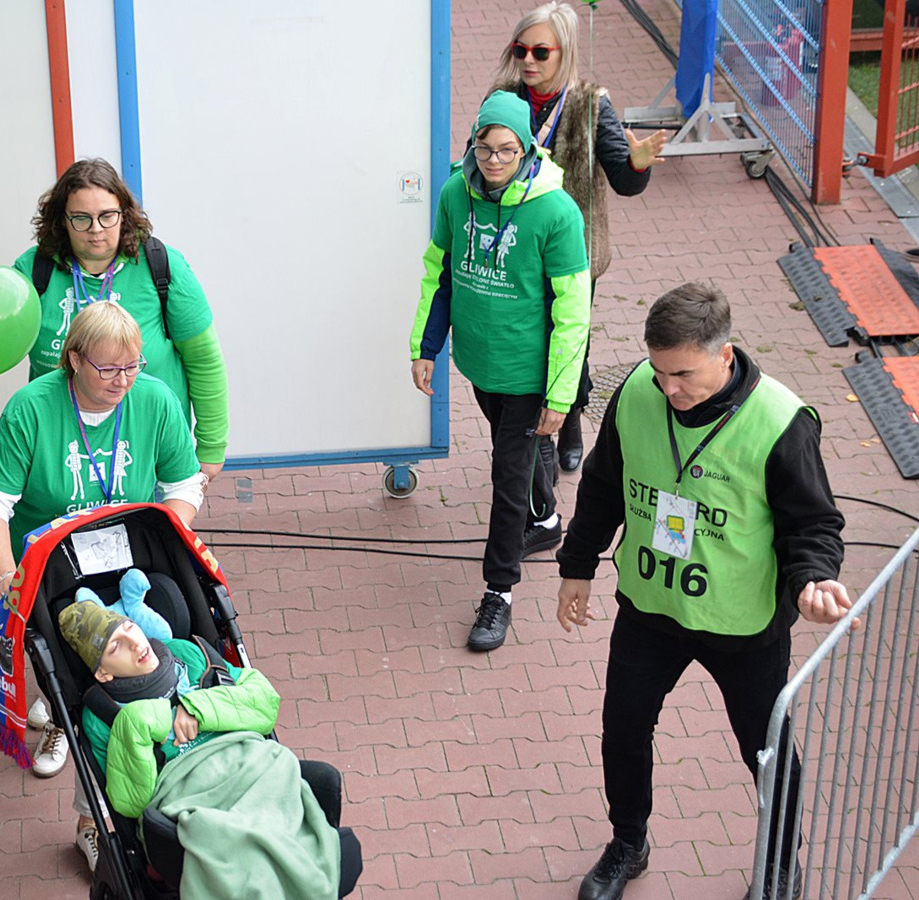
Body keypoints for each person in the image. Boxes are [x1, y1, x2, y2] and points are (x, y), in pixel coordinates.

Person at [554, 283, 853, 900]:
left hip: (742, 624)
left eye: (683, 374)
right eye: (659, 371)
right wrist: (576, 565)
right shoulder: (637, 392)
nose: (668, 388)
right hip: (651, 606)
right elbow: (604, 485)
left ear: (724, 355)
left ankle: (779, 862)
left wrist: (811, 579)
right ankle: (628, 843)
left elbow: (813, 524)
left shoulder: (780, 422)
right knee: (623, 729)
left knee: (766, 751)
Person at [0, 301, 206, 870]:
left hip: (132, 561)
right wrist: (7, 579)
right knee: (89, 685)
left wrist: (169, 533)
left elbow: (184, 485)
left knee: (157, 661)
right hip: (54, 568)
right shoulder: (32, 408)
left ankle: (119, 799)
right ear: (74, 360)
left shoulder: (154, 399)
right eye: (108, 369)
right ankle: (81, 783)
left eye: (133, 366)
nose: (123, 381)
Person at [409, 89, 591, 652]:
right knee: (519, 451)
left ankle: (499, 592)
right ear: (473, 144)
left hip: (530, 372)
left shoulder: (556, 212)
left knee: (506, 475)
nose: (494, 160)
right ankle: (546, 520)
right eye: (485, 148)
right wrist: (426, 347)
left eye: (507, 150)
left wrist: (559, 395)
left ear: (527, 149)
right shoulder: (453, 194)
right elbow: (439, 274)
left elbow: (573, 312)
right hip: (481, 364)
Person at [0, 158, 229, 485]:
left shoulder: (161, 266)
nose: (96, 229)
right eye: (81, 218)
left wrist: (211, 446)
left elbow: (203, 359)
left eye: (107, 216)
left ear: (124, 214)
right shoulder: (35, 271)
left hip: (149, 446)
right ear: (62, 220)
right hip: (59, 447)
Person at [57, 600, 345, 899]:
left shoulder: (186, 653)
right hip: (188, 794)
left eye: (129, 627)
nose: (134, 643)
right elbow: (132, 803)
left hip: (250, 762)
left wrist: (198, 707)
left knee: (283, 804)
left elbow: (264, 702)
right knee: (224, 835)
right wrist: (138, 724)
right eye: (116, 647)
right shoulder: (102, 713)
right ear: (103, 673)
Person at [486, 2, 667, 471]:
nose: (528, 61)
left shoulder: (590, 103)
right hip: (513, 248)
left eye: (540, 52)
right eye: (520, 50)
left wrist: (638, 164)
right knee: (524, 337)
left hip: (573, 253)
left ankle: (568, 420)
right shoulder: (503, 97)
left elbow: (624, 181)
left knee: (568, 339)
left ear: (564, 53)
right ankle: (526, 426)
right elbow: (478, 158)